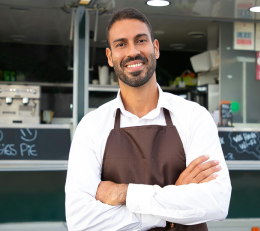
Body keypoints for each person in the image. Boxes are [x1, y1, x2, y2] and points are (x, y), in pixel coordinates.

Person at [65, 7, 231, 231]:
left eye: (140, 40)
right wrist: (169, 213)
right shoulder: (91, 126)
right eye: (121, 44)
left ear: (155, 48)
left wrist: (124, 193)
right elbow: (80, 221)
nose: (133, 52)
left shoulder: (194, 116)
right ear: (110, 57)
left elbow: (216, 202)